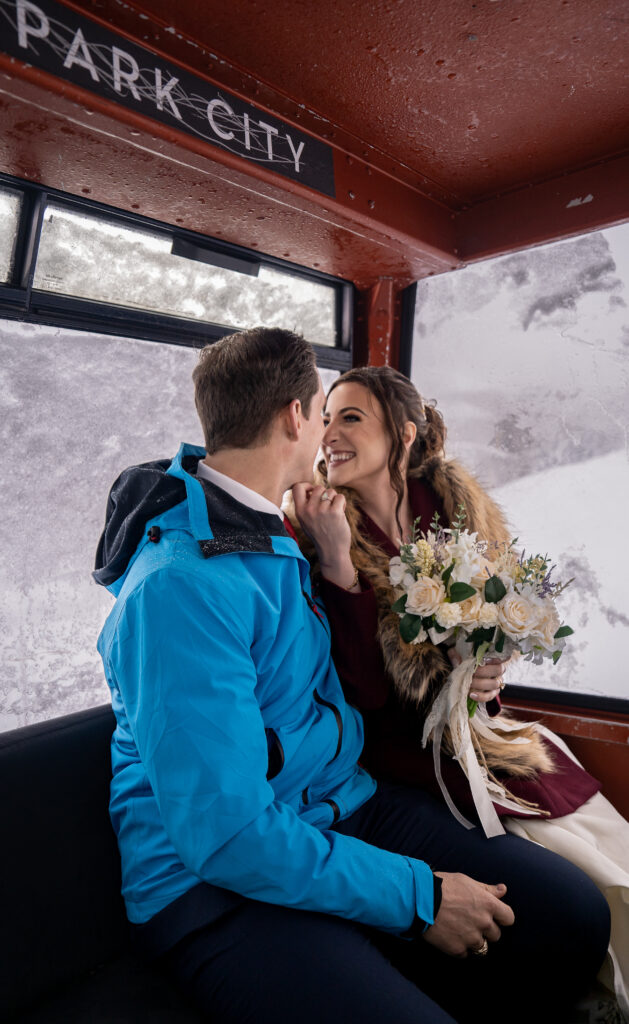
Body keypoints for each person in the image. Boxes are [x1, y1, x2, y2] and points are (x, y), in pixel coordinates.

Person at [94, 329, 609, 1024]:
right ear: (294, 418)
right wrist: (418, 895)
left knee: (570, 917)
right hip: (212, 884)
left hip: (340, 805)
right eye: (322, 411)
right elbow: (224, 833)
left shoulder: (277, 536)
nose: (327, 432)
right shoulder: (180, 586)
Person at [293, 363, 628, 1019]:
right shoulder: (317, 529)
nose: (327, 433)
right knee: (567, 866)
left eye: (349, 417)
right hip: (392, 757)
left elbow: (486, 621)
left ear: (404, 434)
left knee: (598, 835)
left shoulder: (448, 510)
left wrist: (486, 667)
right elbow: (357, 692)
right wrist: (337, 568)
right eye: (324, 418)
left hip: (474, 729)